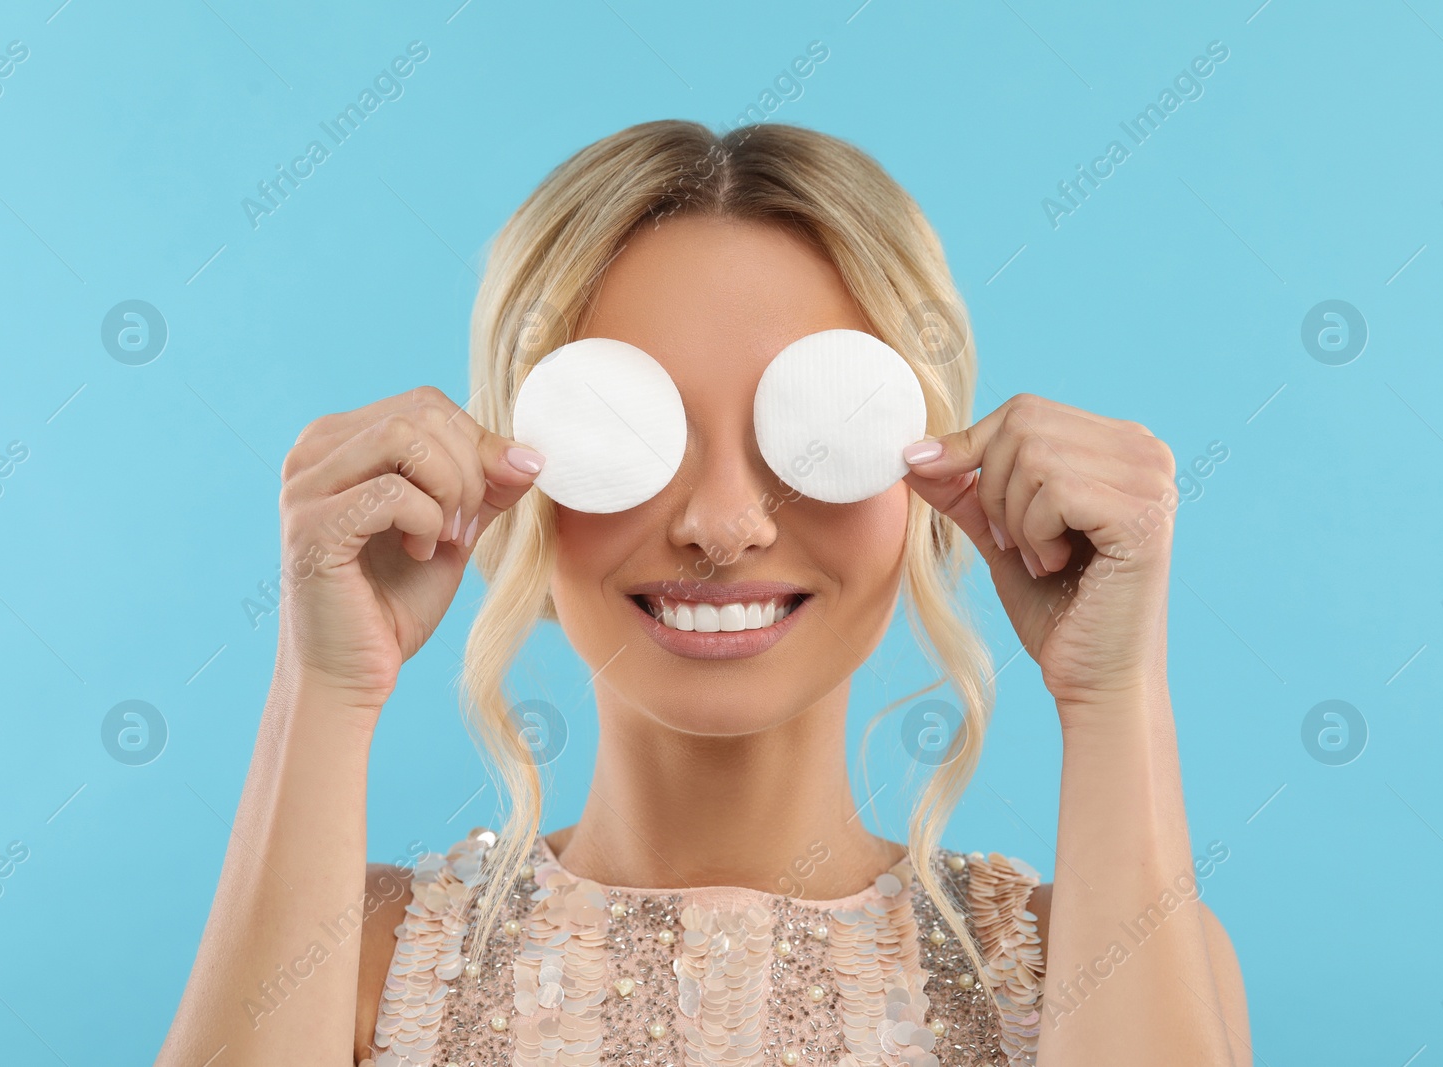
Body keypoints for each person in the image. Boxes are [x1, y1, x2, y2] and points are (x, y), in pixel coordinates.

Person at [156, 120, 1249, 1067]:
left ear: (922, 482)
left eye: (817, 433)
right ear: (515, 478)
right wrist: (326, 687)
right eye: (626, 429)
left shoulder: (1098, 963)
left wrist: (1110, 696)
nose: (722, 522)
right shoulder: (358, 953)